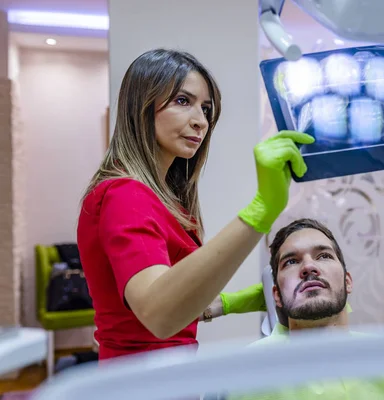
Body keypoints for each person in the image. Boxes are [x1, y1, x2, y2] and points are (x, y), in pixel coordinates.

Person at [77, 48, 314, 361]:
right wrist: (262, 209)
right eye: (182, 101)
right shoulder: (125, 195)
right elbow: (158, 314)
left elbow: (178, 298)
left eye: (205, 109)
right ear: (141, 105)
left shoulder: (164, 199)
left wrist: (244, 300)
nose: (201, 121)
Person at [229, 218, 384, 400]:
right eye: (291, 261)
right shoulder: (238, 375)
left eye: (324, 256)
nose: (308, 267)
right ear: (276, 295)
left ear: (348, 281)